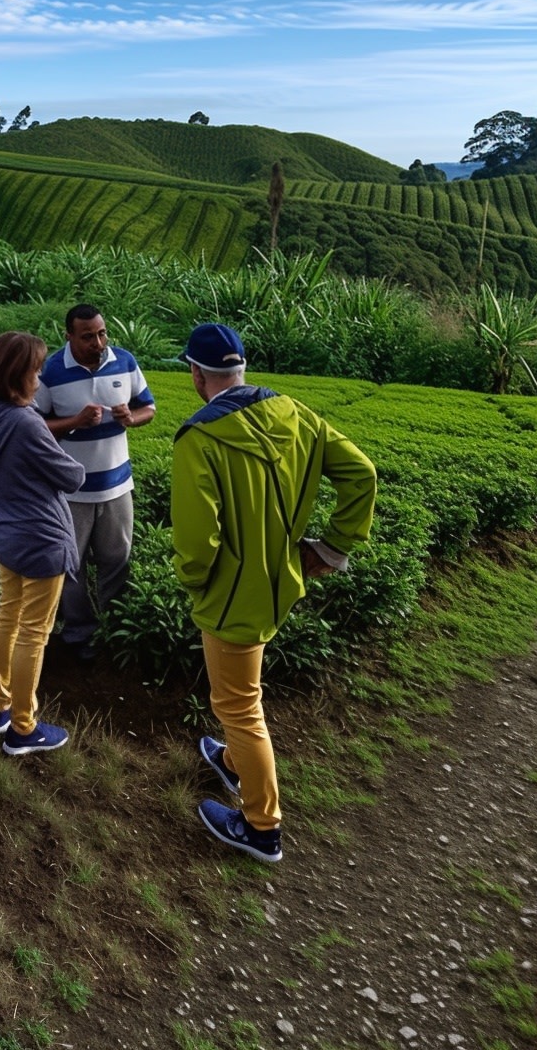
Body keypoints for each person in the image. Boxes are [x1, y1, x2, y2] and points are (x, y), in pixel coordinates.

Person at [172, 322, 376, 861]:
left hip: (231, 595)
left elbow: (197, 540)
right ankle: (233, 761)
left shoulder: (200, 437)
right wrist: (332, 549)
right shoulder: (295, 413)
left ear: (196, 374)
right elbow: (362, 474)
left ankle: (262, 827)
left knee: (239, 705)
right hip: (282, 581)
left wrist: (193, 581)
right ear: (240, 368)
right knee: (242, 691)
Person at [0, 331, 87, 756]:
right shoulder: (25, 421)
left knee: (7, 616)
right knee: (34, 634)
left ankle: (0, 707)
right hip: (39, 539)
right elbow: (72, 476)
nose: (39, 379)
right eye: (35, 371)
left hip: (5, 534)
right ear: (19, 375)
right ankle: (23, 729)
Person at [34, 304, 156, 660]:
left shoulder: (125, 361)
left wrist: (132, 418)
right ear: (69, 335)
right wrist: (74, 420)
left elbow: (149, 407)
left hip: (118, 485)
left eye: (102, 333)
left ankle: (114, 629)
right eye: (87, 336)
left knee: (117, 559)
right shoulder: (52, 371)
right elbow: (35, 425)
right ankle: (79, 634)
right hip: (71, 491)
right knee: (71, 565)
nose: (98, 342)